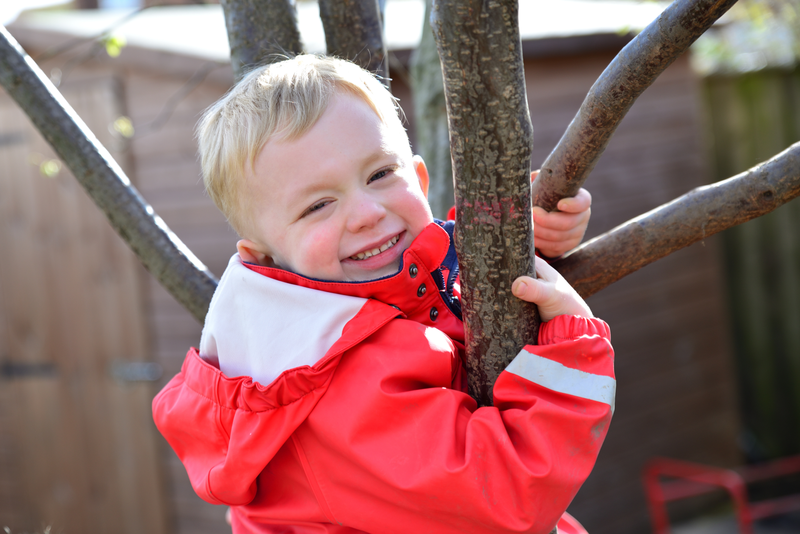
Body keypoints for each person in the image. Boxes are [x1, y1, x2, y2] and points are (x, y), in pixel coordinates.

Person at [152, 54, 614, 534]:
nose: (367, 213)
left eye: (379, 175)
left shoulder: (339, 302)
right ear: (265, 258)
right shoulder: (335, 378)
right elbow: (505, 494)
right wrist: (572, 346)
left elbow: (424, 292)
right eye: (318, 205)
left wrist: (519, 237)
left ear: (419, 179)